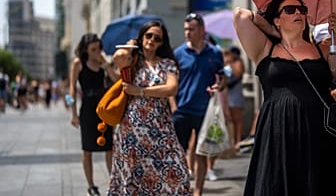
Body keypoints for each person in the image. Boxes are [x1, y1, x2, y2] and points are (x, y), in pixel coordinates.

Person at [233, 0, 336, 195]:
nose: (298, 13)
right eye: (290, 10)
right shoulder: (265, 49)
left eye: (302, 10)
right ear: (277, 19)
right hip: (279, 131)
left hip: (320, 132)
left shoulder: (322, 49)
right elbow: (240, 15)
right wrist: (274, 31)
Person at [107, 21, 191, 195]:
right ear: (142, 37)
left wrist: (140, 91)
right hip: (132, 129)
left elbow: (171, 88)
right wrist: (130, 47)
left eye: (157, 38)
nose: (152, 40)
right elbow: (118, 59)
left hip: (160, 127)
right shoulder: (133, 62)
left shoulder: (167, 63)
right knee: (133, 177)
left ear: (162, 42)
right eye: (148, 35)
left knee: (178, 171)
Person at [173, 13, 225, 196]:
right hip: (182, 110)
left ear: (202, 31)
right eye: (186, 29)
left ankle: (198, 192)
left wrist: (219, 86)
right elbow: (171, 81)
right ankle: (181, 189)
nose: (187, 32)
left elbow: (222, 77)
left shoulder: (215, 53)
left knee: (202, 153)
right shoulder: (178, 54)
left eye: (191, 29)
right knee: (179, 155)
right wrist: (173, 105)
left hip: (205, 111)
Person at [68, 33, 119, 196]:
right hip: (88, 107)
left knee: (109, 146)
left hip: (103, 106)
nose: (97, 52)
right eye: (93, 49)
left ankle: (113, 183)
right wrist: (73, 114)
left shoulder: (103, 62)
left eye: (99, 48)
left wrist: (106, 64)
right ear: (86, 50)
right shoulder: (78, 63)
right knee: (87, 148)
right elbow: (70, 90)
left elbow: (117, 81)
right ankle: (91, 185)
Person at [224, 46, 246, 150]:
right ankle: (232, 141)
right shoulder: (227, 63)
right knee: (230, 119)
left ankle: (238, 140)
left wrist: (231, 64)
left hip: (235, 92)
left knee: (237, 118)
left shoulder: (238, 63)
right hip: (227, 93)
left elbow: (238, 75)